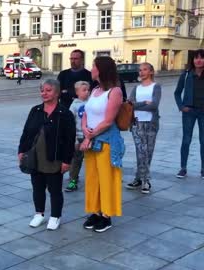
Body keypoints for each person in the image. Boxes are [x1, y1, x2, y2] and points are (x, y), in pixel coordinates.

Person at [18, 79, 75, 230]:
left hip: (54, 157)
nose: (44, 93)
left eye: (48, 90)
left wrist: (66, 161)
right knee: (37, 187)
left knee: (55, 189)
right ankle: (39, 214)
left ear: (57, 92)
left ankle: (55, 216)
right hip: (35, 156)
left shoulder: (65, 114)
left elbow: (70, 139)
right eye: (42, 90)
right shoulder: (35, 110)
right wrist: (21, 150)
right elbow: (26, 132)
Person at [80, 56, 124, 233]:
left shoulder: (115, 92)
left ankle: (106, 215)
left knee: (107, 179)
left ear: (101, 69)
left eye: (93, 66)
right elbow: (86, 113)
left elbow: (108, 120)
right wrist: (85, 131)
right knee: (92, 179)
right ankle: (95, 211)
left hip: (106, 142)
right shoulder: (95, 90)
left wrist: (90, 135)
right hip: (91, 142)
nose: (91, 69)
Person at [126, 63, 161, 194]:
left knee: (148, 152)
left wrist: (137, 105)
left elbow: (154, 106)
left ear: (151, 72)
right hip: (137, 123)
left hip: (151, 123)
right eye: (140, 70)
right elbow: (130, 105)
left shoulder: (156, 87)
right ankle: (145, 180)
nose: (142, 72)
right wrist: (143, 103)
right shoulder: (136, 88)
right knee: (141, 151)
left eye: (145, 70)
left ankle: (138, 178)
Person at [174, 49, 204, 178]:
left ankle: (203, 169)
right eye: (196, 58)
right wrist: (181, 107)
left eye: (201, 58)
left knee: (203, 141)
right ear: (192, 60)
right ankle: (183, 168)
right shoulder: (186, 75)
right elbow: (177, 93)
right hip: (189, 112)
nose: (198, 60)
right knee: (186, 140)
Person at [65, 81, 91, 192]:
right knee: (76, 161)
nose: (87, 92)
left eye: (88, 90)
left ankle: (93, 181)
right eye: (84, 90)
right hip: (79, 137)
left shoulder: (92, 103)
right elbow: (70, 124)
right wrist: (74, 140)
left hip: (90, 137)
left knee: (91, 161)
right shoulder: (74, 105)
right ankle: (73, 180)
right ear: (77, 92)